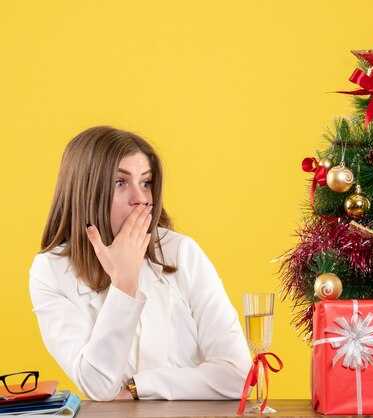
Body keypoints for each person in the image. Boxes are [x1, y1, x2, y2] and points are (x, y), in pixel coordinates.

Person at [29, 126, 251, 401]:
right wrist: (124, 284)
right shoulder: (50, 272)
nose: (141, 199)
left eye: (146, 182)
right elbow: (97, 386)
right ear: (85, 190)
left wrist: (138, 387)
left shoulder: (181, 252)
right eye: (119, 182)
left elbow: (239, 376)